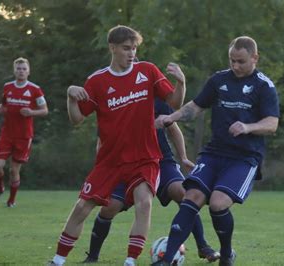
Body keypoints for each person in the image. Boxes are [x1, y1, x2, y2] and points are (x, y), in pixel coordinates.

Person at [48, 25, 186, 266]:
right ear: (112, 47)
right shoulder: (98, 81)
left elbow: (174, 102)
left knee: (144, 202)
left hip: (145, 157)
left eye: (134, 48)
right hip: (110, 160)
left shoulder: (148, 71)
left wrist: (181, 83)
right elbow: (77, 119)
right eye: (126, 48)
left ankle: (130, 261)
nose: (131, 53)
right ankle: (58, 260)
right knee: (82, 207)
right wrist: (70, 97)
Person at [152, 36, 280, 266]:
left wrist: (248, 127)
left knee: (218, 203)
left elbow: (272, 123)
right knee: (191, 196)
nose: (235, 66)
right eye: (232, 60)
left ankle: (226, 254)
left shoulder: (264, 86)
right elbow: (195, 107)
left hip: (244, 157)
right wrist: (171, 116)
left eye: (241, 61)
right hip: (214, 153)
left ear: (255, 58)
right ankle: (166, 259)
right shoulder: (219, 80)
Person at [82, 98, 220, 264]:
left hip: (161, 161)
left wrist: (183, 157)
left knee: (184, 195)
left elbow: (173, 129)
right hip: (126, 164)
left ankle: (203, 246)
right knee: (109, 208)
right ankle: (92, 256)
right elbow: (102, 141)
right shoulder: (113, 103)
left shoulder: (155, 101)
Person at [0, 57, 48, 208]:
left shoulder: (35, 89)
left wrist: (31, 112)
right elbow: (4, 105)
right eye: (18, 69)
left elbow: (44, 110)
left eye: (24, 69)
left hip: (23, 136)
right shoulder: (7, 87)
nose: (21, 71)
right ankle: (0, 189)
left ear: (29, 72)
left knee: (14, 170)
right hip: (7, 134)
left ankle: (11, 200)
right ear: (14, 71)